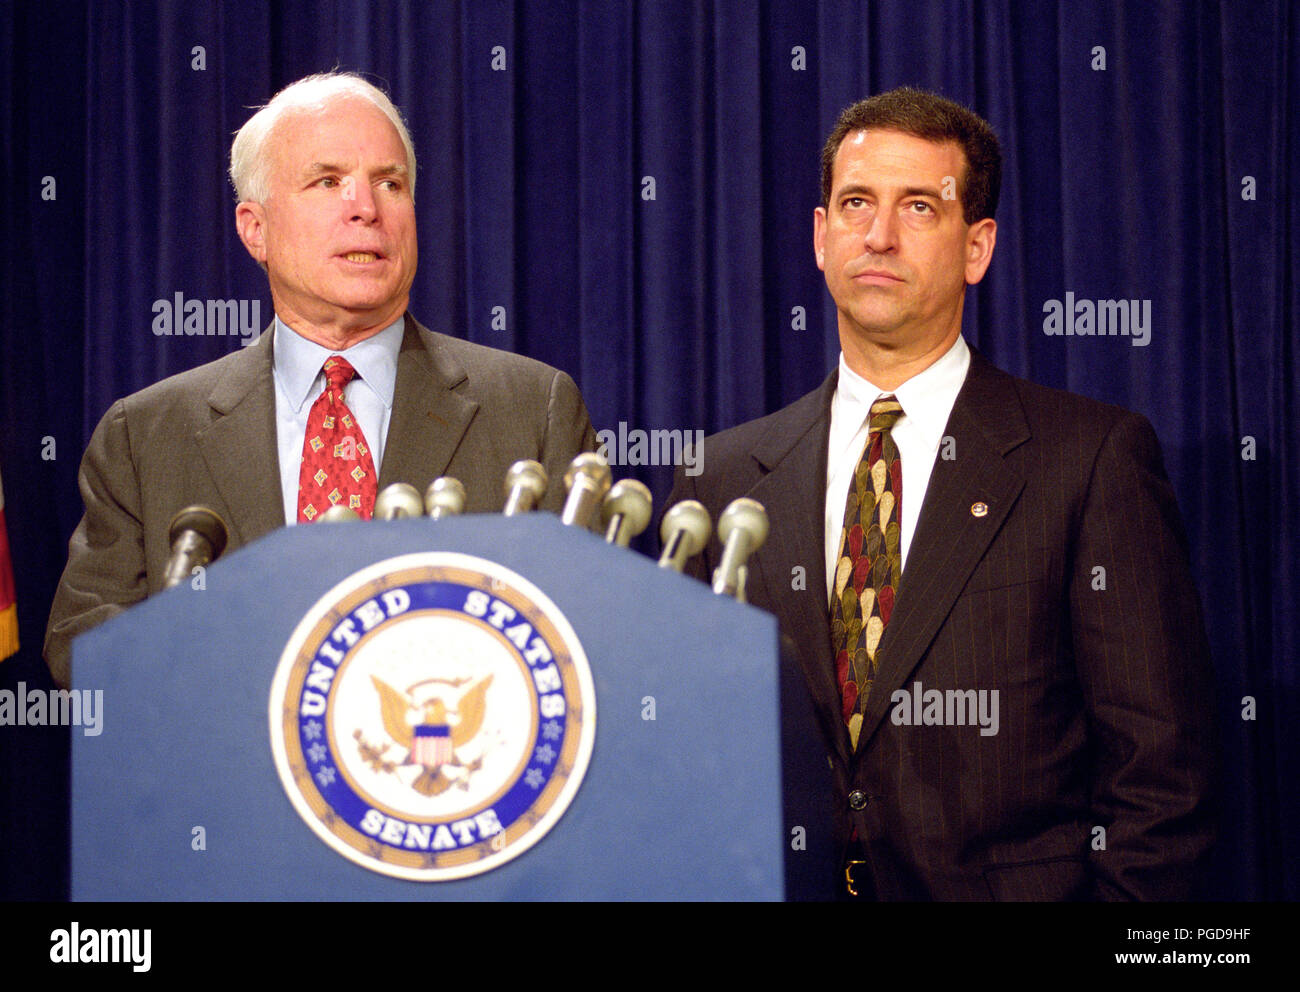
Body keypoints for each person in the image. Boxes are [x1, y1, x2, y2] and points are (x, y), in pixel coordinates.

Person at [670, 87, 1217, 900]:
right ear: (820, 238)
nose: (879, 235)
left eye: (919, 207)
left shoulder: (1090, 459)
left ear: (977, 247)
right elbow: (687, 759)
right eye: (856, 203)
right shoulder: (720, 479)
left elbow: (1160, 776)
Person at [45, 73, 596, 689]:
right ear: (255, 228)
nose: (366, 207)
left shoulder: (532, 410)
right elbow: (83, 642)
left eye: (390, 183)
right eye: (328, 181)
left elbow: (592, 632)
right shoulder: (146, 435)